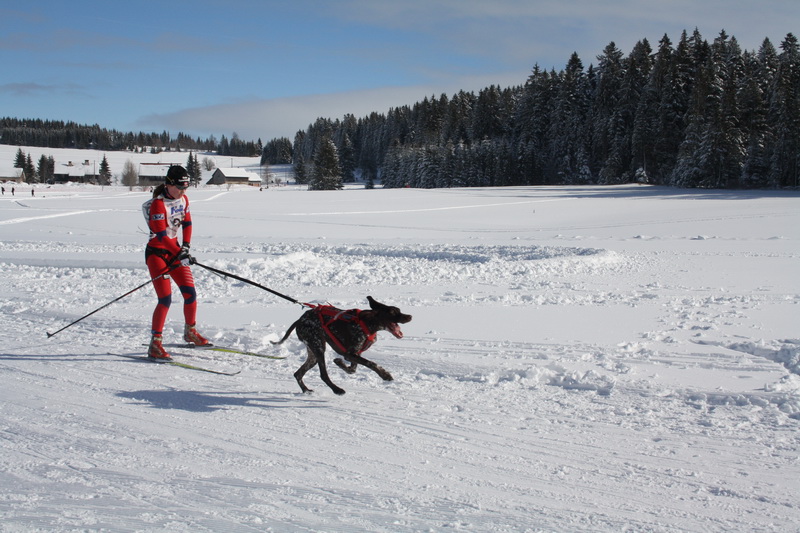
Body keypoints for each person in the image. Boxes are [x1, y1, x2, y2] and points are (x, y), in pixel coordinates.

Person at [144, 165, 209, 359]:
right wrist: (180, 253)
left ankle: (190, 332)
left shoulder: (184, 199)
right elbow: (162, 236)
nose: (183, 191)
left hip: (175, 252)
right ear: (169, 184)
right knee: (165, 299)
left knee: (190, 293)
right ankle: (155, 343)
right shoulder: (158, 204)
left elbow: (187, 223)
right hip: (157, 255)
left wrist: (186, 247)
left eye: (186, 188)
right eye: (179, 187)